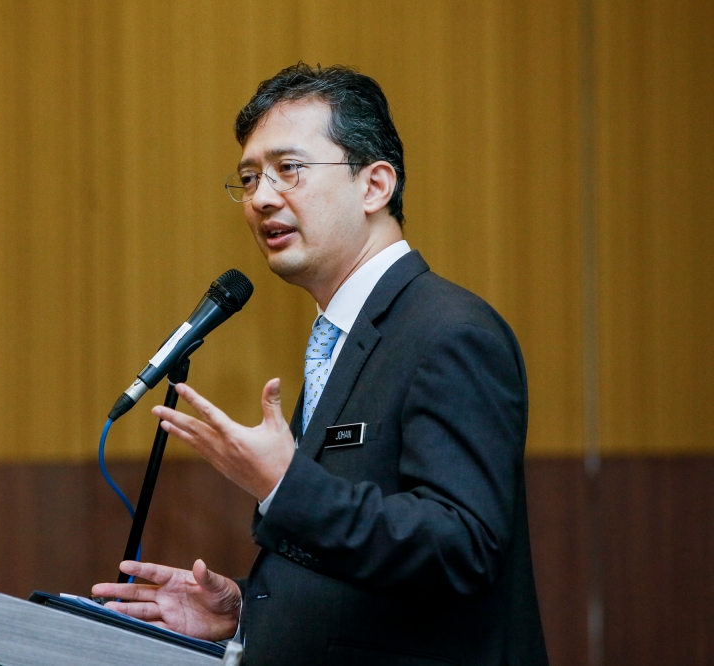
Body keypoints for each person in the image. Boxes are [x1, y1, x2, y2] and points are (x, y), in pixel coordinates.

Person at [92, 63, 549, 666]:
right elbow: (362, 562)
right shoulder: (340, 335)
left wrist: (284, 484)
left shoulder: (450, 332)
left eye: (290, 169)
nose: (260, 197)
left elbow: (460, 547)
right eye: (249, 177)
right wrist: (244, 617)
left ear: (375, 186)